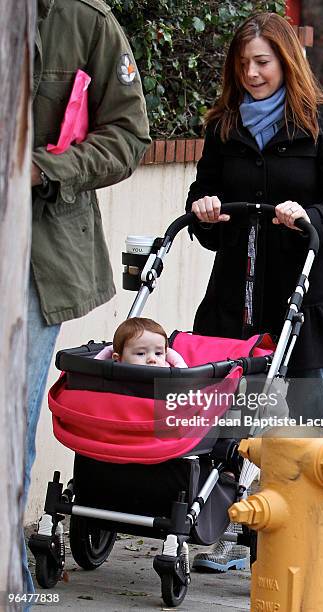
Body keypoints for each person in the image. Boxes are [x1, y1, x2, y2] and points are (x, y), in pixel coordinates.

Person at [186, 12, 323, 572]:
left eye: (262, 62)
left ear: (286, 60)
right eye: (243, 65)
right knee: (235, 410)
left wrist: (307, 217)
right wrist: (206, 212)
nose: (252, 74)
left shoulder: (322, 120)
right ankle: (239, 524)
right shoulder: (224, 124)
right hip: (237, 293)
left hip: (302, 292)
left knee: (309, 407)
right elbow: (202, 196)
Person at [24, 0, 151, 596]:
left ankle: (10, 583)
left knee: (13, 417)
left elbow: (128, 136)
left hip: (37, 259)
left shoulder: (86, 21)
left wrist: (49, 168)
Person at [110, 317, 187, 367]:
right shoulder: (110, 380)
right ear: (118, 359)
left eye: (158, 353)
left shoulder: (170, 376)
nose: (152, 359)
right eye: (140, 353)